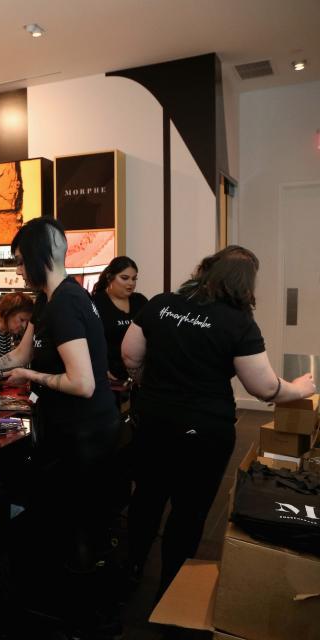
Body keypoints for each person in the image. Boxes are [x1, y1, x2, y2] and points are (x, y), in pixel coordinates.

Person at [122, 245, 316, 598]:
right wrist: (298, 388)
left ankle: (130, 570)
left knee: (146, 498)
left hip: (153, 419)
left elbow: (130, 355)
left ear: (207, 270)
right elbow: (264, 387)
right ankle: (171, 589)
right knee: (188, 511)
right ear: (245, 285)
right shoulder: (238, 323)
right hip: (203, 433)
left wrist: (143, 381)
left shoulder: (161, 303)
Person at [0, 217, 119, 630]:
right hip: (70, 433)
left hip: (85, 435)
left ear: (39, 257)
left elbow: (81, 382)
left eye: (21, 261)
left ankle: (83, 619)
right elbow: (21, 355)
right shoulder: (48, 301)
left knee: (79, 526)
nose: (19, 269)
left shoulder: (68, 304)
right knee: (66, 522)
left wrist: (33, 379)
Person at [92, 256, 148, 381]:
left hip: (138, 374)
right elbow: (89, 340)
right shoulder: (96, 303)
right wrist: (100, 367)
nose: (131, 283)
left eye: (134, 279)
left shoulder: (140, 301)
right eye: (124, 278)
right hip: (109, 374)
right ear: (110, 277)